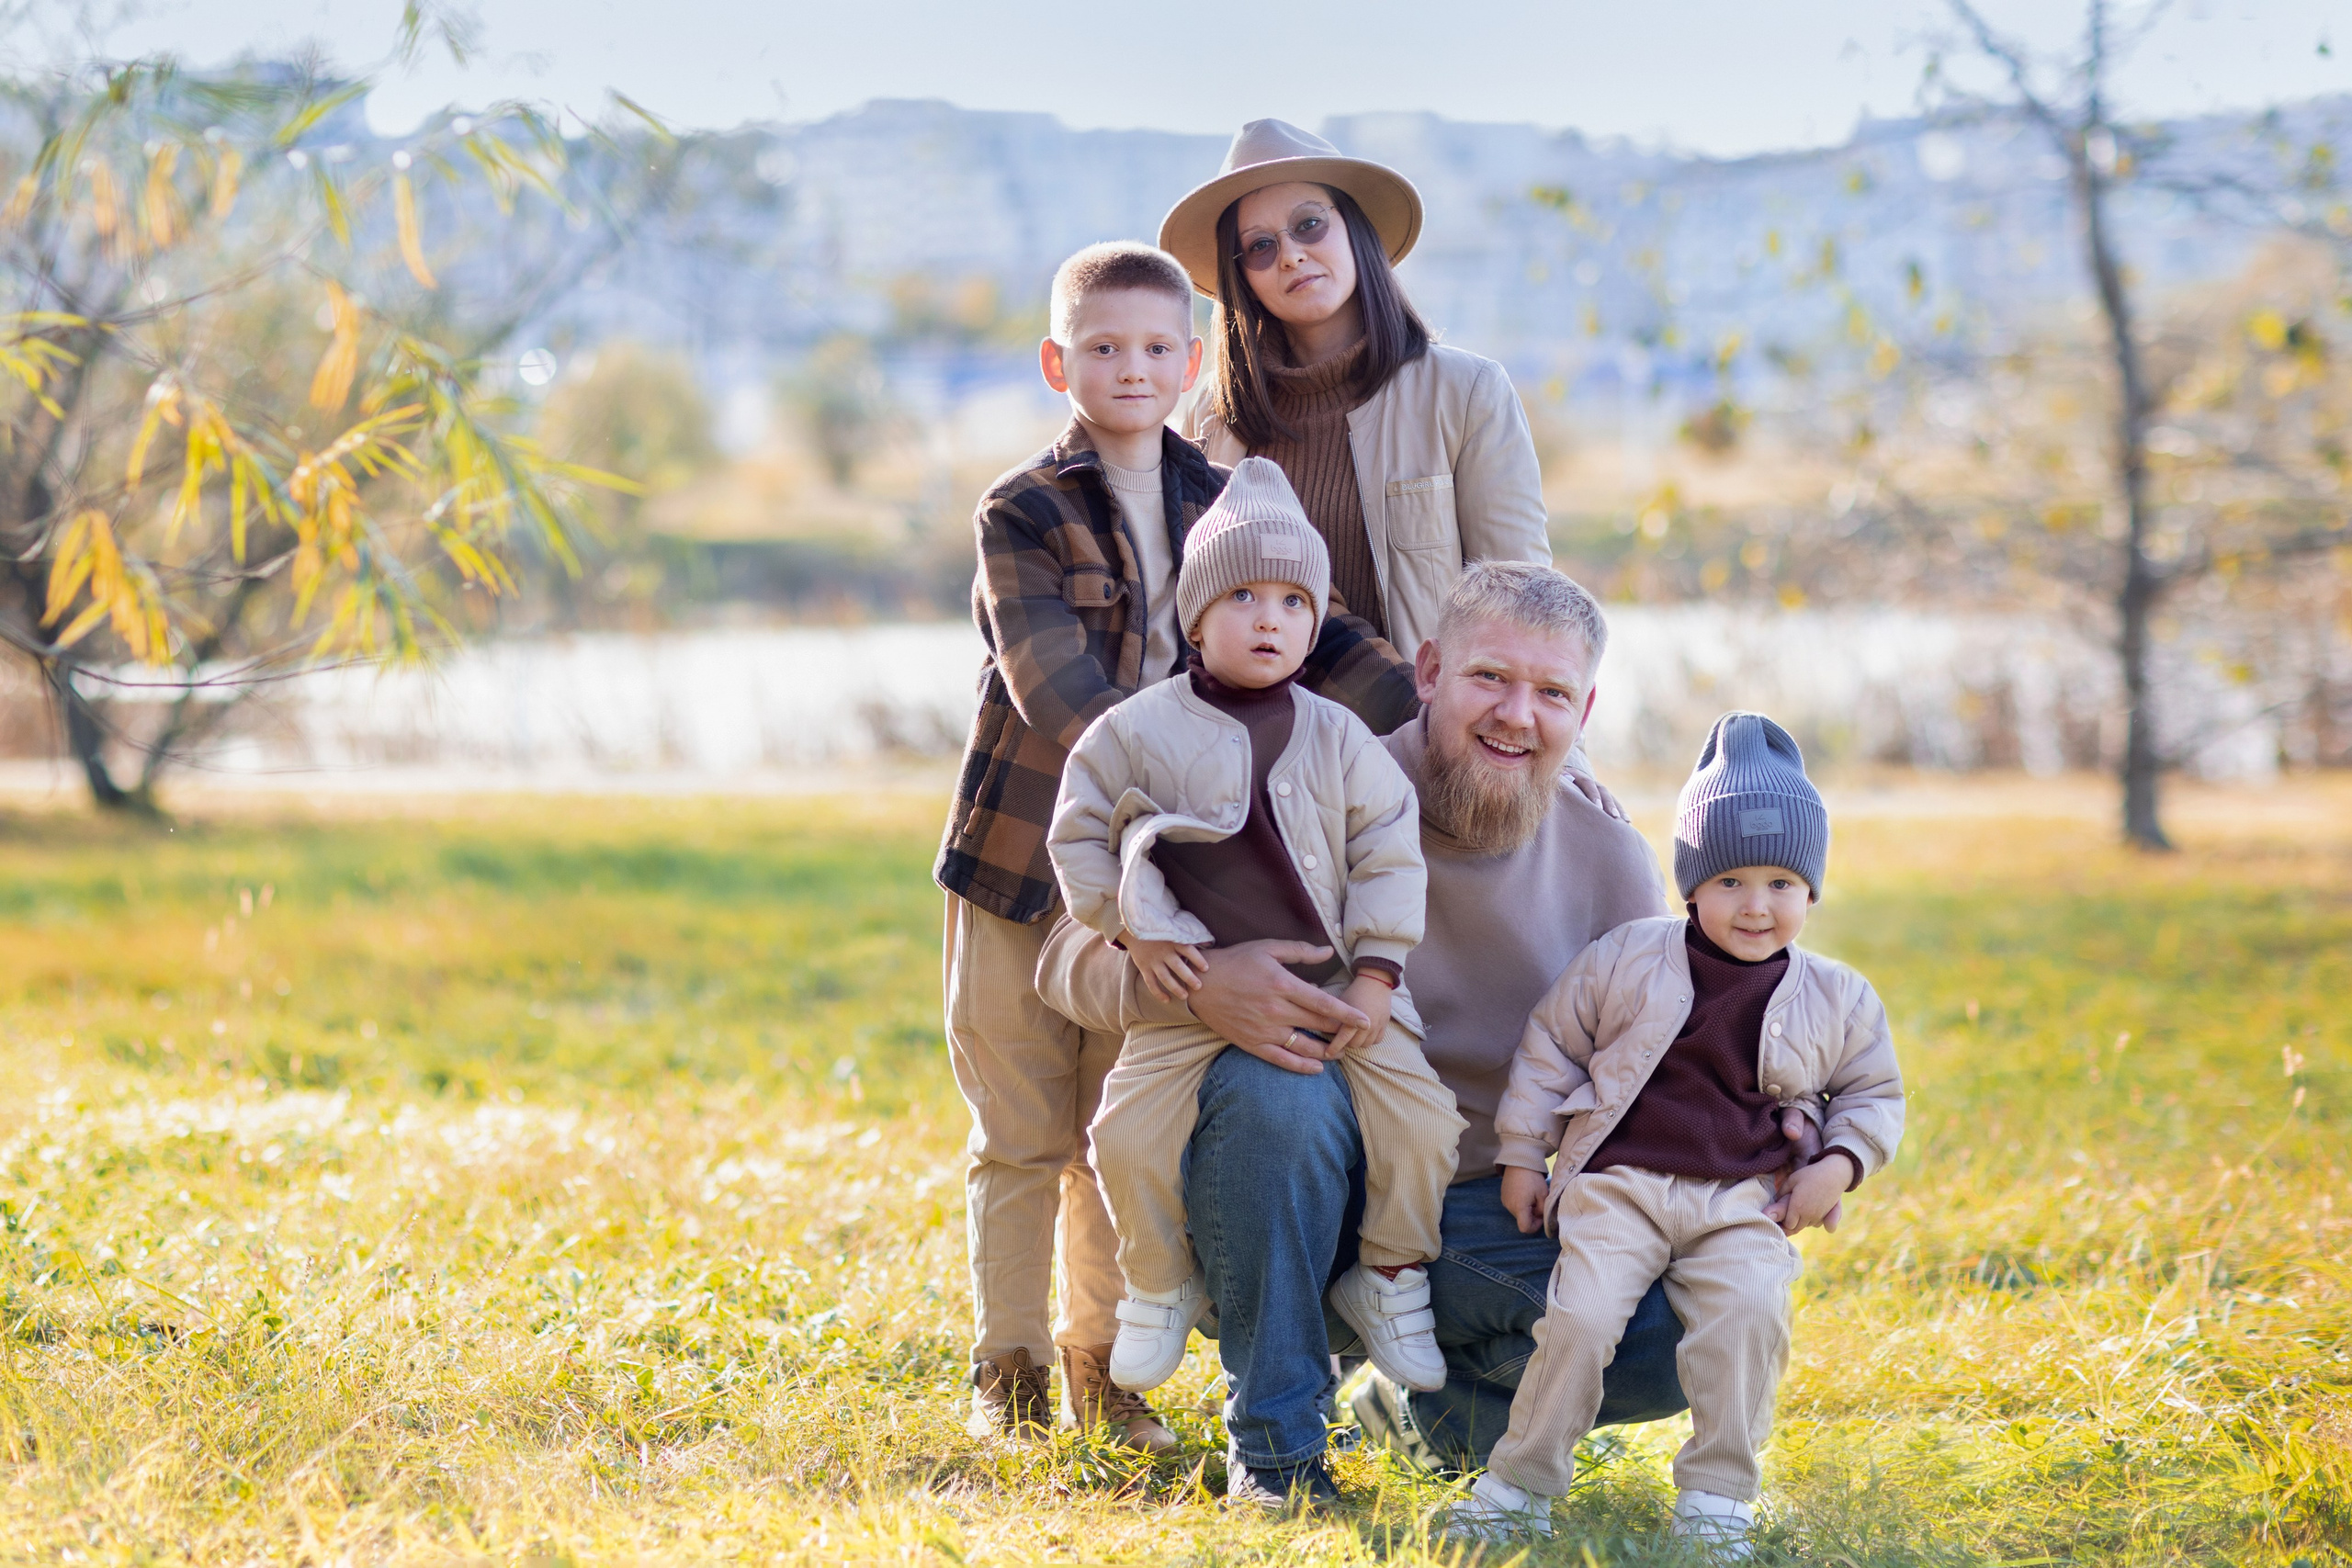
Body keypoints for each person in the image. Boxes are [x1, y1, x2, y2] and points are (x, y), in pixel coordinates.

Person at [1037, 563, 1704, 1507]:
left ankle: (1421, 1415)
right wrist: (1199, 989)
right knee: (1279, 1091)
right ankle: (1275, 1452)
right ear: (1428, 670)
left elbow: (1662, 1057)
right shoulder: (1306, 775)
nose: (1517, 714)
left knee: (1682, 1324)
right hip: (1287, 1188)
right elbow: (1061, 962)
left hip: (1478, 1212)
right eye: (1489, 678)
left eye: (1550, 692)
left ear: (1583, 709)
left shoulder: (1602, 855)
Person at [1046, 458, 1464, 1411]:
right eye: (1240, 597)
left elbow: (1390, 853)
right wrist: (1131, 932)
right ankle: (1159, 1281)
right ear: (1195, 620)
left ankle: (1391, 1276)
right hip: (1191, 990)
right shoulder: (1136, 730)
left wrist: (1378, 977)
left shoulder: (1339, 738)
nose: (1267, 618)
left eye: (1290, 601)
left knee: (1424, 1127)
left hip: (1342, 994)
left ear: (1315, 623)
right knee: (1124, 1139)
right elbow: (1076, 833)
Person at [1449, 714, 1906, 1554]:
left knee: (1749, 1322)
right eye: (1730, 880)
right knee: (1580, 1321)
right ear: (1690, 883)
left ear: (1812, 891)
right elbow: (1550, 1045)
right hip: (1620, 1187)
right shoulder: (1629, 957)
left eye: (1780, 883)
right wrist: (1521, 1152)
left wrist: (1839, 1163)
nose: (1756, 905)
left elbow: (1872, 1092)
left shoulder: (1839, 997)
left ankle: (1718, 1499)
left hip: (1744, 1201)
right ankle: (1519, 1482)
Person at [932, 241, 1215, 1452]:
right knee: (1019, 1129)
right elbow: (1053, 683)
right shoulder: (1022, 508)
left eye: (1156, 347)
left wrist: (1418, 728)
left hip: (1146, 889)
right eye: (1103, 346)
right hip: (1016, 866)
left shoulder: (1228, 509)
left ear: (1192, 363)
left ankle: (1104, 1367)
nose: (1131, 366)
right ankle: (1009, 1364)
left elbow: (1312, 640)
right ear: (1060, 362)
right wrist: (1189, 764)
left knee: (1117, 1137)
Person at [1159, 118, 1554, 726]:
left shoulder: (1467, 393)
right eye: (1260, 246)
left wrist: (1563, 763)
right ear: (1243, 275)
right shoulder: (1213, 418)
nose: (1290, 253)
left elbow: (1525, 610)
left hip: (1422, 755)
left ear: (1353, 228)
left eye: (1309, 224)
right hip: (1257, 765)